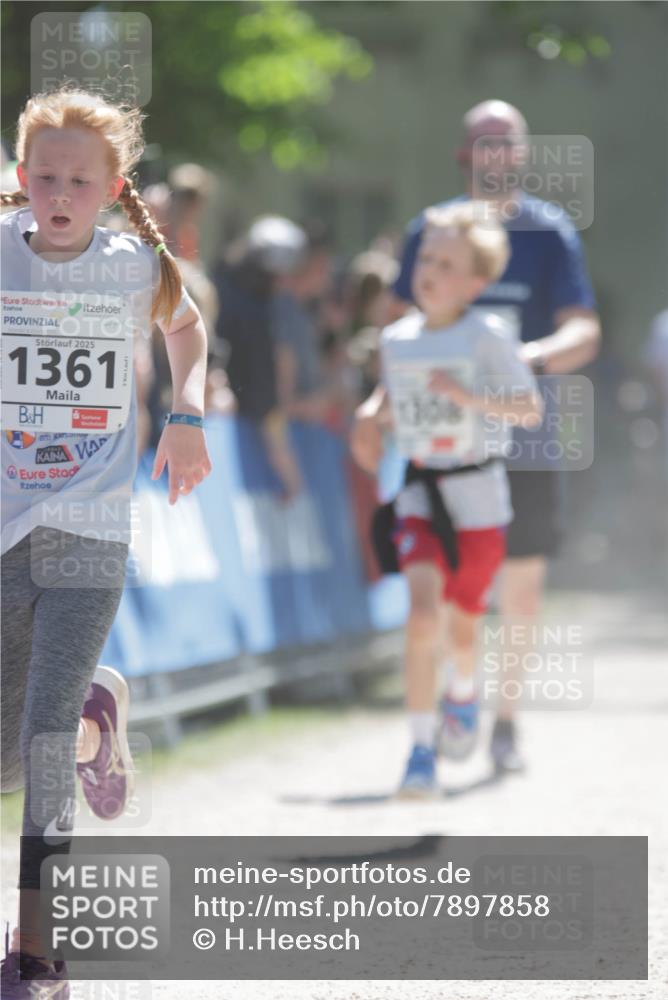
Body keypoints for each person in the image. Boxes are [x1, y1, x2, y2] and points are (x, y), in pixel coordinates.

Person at [0, 87, 212, 996]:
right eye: (44, 175)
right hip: (6, 533)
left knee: (41, 741)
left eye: (78, 180)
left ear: (112, 188)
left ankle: (37, 948)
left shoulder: (133, 266)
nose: (59, 191)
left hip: (90, 530)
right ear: (21, 179)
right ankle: (97, 711)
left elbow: (187, 325)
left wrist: (187, 413)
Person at [391, 100, 600, 773]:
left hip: (525, 434)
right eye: (482, 142)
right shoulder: (435, 228)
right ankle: (452, 705)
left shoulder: (550, 231)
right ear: (462, 154)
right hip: (445, 439)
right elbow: (397, 325)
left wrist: (522, 362)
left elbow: (585, 331)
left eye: (505, 142)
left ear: (523, 154)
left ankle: (504, 722)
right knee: (449, 583)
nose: (494, 154)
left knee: (521, 586)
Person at [352, 203, 543, 796]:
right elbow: (393, 397)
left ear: (476, 282)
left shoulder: (488, 336)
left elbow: (529, 409)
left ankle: (463, 689)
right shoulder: (397, 337)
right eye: (425, 258)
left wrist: (470, 397)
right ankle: (418, 749)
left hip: (479, 497)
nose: (428, 271)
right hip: (419, 490)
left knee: (463, 631)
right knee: (421, 617)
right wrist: (370, 416)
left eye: (445, 263)